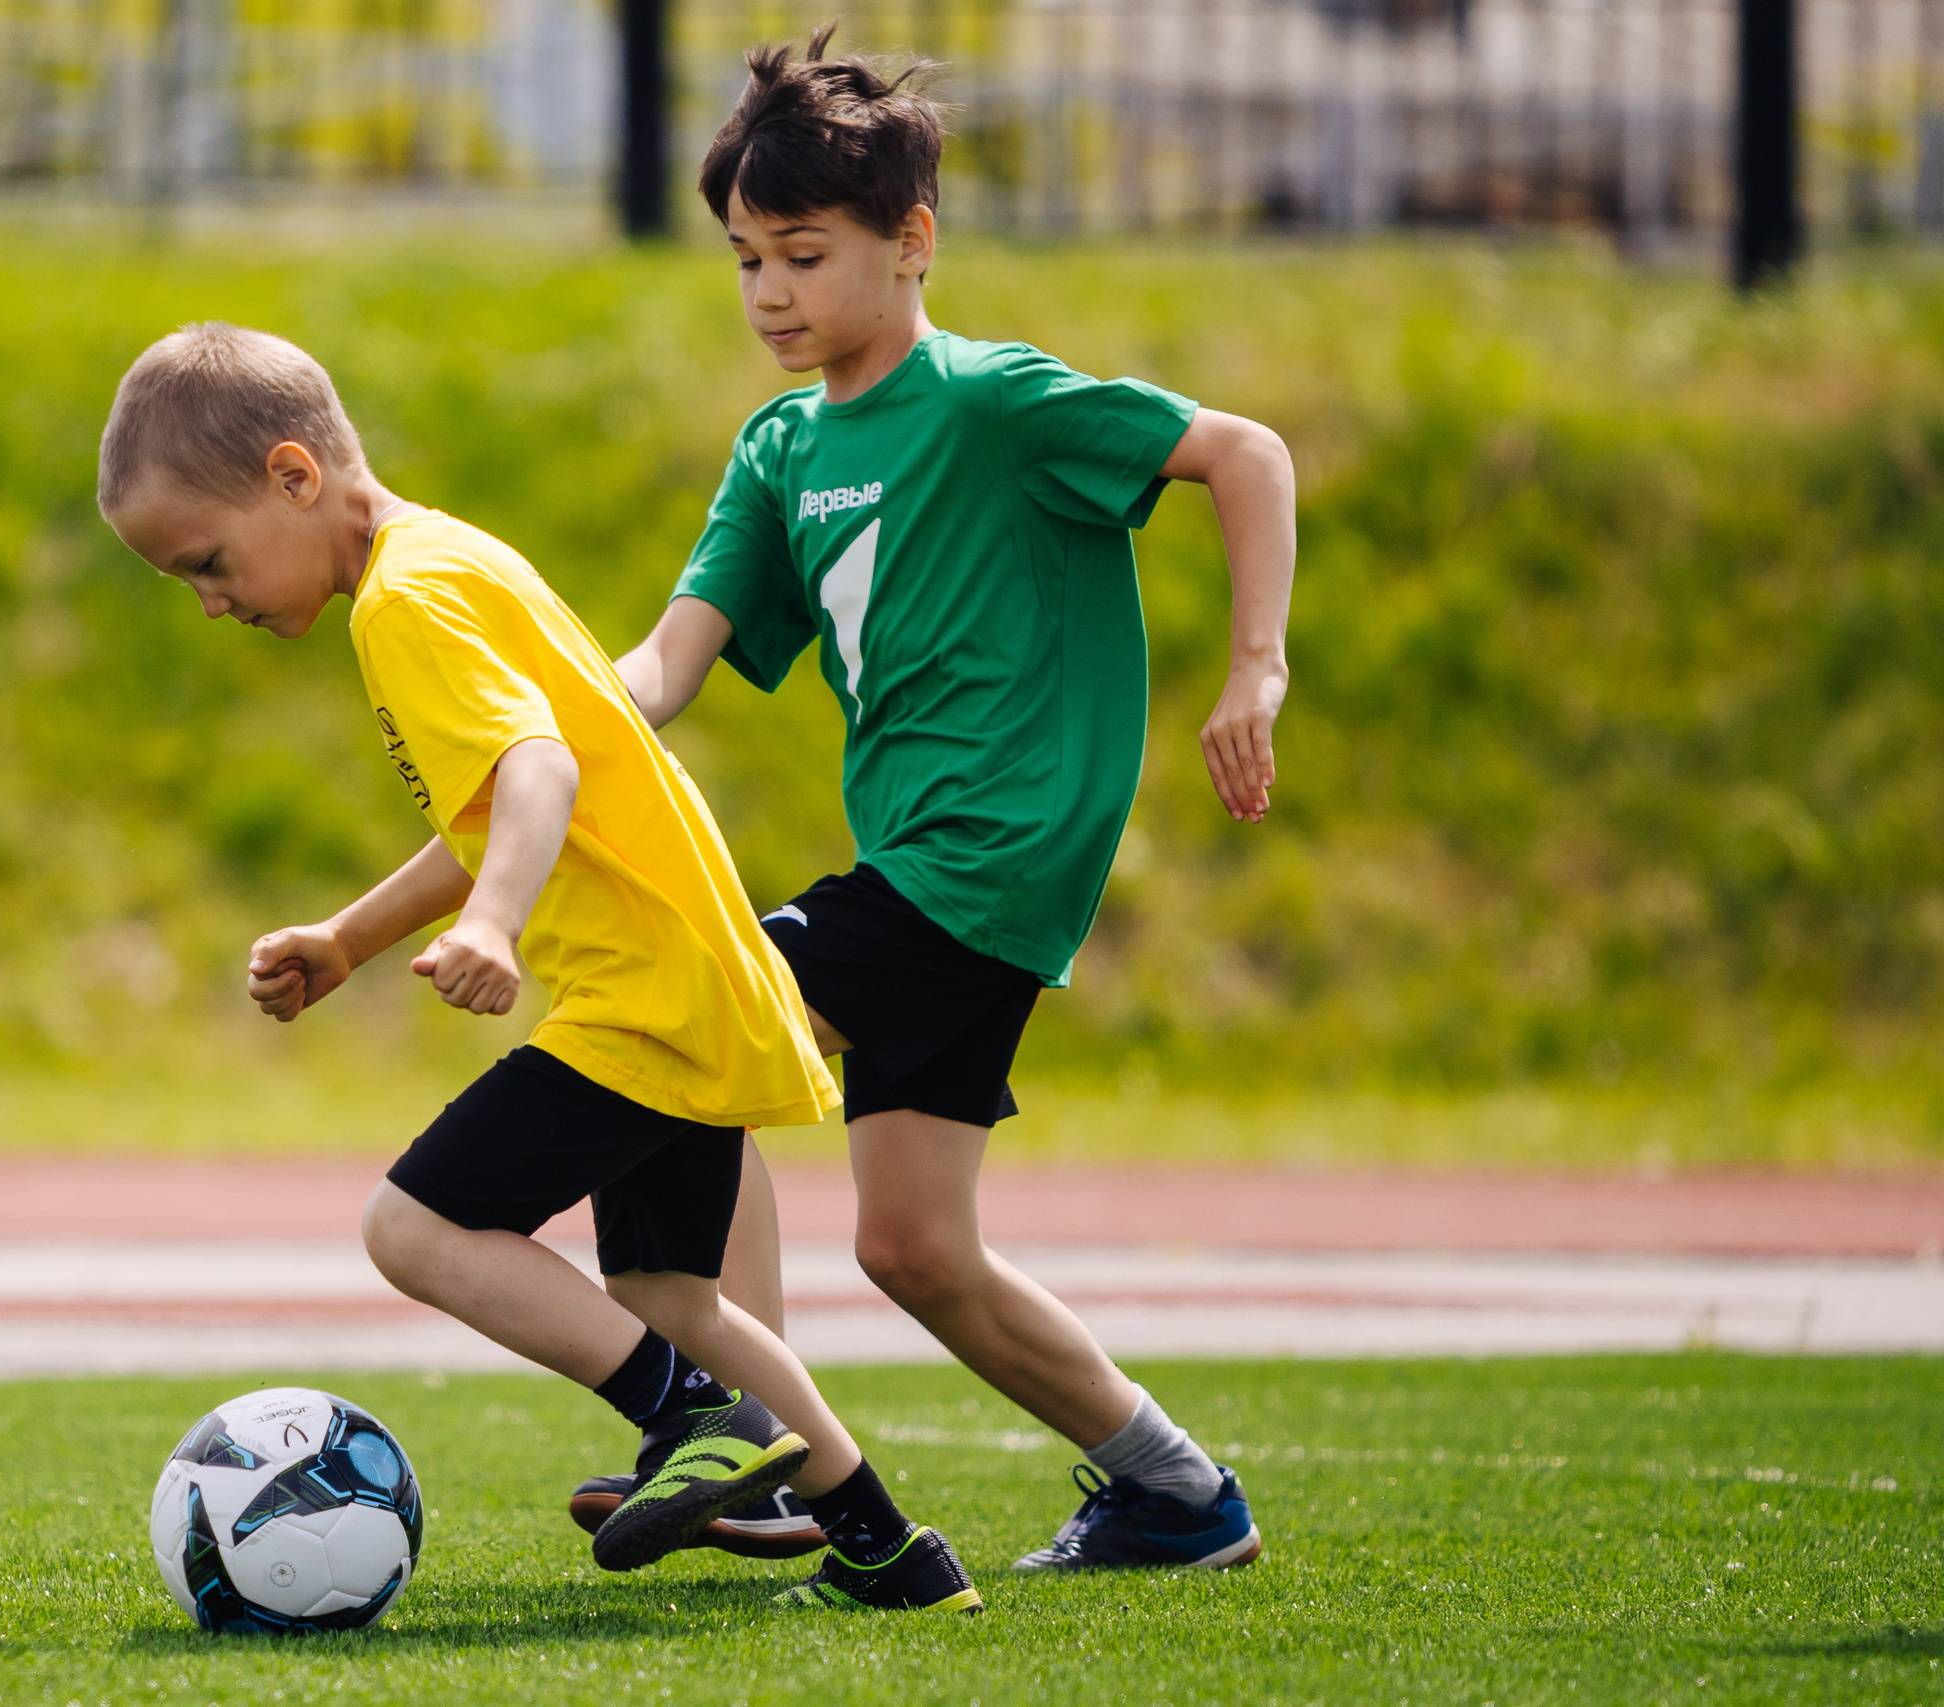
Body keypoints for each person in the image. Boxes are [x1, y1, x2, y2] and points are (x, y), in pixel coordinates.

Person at [95, 321, 983, 1613]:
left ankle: (693, 1427)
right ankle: (890, 1551)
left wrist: (495, 927)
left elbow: (539, 771)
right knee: (667, 1287)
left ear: (295, 475)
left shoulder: (404, 601)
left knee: (413, 1227)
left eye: (207, 563)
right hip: (697, 974)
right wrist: (352, 938)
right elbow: (502, 797)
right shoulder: (451, 555)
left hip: (644, 992)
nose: (210, 600)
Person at [581, 32, 1296, 1574]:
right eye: (745, 261)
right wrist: (554, 721)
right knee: (914, 1248)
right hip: (925, 874)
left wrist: (1255, 670)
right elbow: (668, 662)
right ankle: (1179, 1495)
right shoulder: (777, 450)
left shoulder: (993, 404)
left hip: (990, 856)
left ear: (912, 246)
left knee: (705, 1007)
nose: (770, 292)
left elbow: (1246, 455)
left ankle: (750, 1447)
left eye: (804, 254)